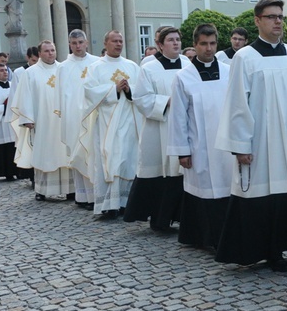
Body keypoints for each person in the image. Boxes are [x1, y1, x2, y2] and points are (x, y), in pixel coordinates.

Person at [215, 0, 287, 272]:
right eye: (271, 16)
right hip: (263, 142)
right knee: (270, 201)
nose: (277, 22)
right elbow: (238, 104)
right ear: (258, 20)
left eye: (281, 17)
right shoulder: (245, 57)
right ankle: (273, 253)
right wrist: (240, 145)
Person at [168, 24, 233, 250]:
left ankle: (227, 236)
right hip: (199, 145)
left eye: (212, 43)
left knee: (228, 189)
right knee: (203, 190)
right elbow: (177, 117)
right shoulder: (183, 77)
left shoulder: (228, 71)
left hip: (226, 145)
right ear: (195, 45)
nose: (208, 48)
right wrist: (182, 150)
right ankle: (204, 237)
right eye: (203, 44)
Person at [124, 26, 190, 232]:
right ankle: (159, 218)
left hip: (185, 126)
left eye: (178, 39)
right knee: (161, 172)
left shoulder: (188, 65)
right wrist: (166, 102)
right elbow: (141, 98)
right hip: (159, 128)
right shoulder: (149, 68)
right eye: (170, 40)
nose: (176, 43)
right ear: (160, 45)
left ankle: (184, 218)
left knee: (182, 175)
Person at [79, 30, 143, 218]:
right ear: (106, 43)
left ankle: (126, 203)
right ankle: (109, 204)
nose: (118, 44)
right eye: (114, 41)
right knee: (109, 160)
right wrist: (113, 89)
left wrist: (129, 90)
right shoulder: (95, 67)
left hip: (130, 122)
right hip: (107, 123)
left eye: (121, 41)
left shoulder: (132, 66)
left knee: (128, 160)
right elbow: (89, 91)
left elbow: (141, 91)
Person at [11, 40, 73, 201]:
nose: (50, 53)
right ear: (39, 53)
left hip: (62, 120)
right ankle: (42, 189)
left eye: (52, 50)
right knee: (44, 153)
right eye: (46, 51)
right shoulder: (31, 72)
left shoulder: (64, 69)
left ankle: (70, 189)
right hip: (42, 121)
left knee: (64, 152)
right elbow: (25, 97)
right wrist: (27, 118)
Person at [58, 29, 99, 209]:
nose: (77, 46)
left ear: (87, 42)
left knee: (93, 152)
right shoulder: (63, 67)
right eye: (74, 43)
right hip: (73, 116)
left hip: (93, 115)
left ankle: (96, 195)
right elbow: (60, 94)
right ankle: (82, 196)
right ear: (69, 44)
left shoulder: (97, 63)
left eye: (80, 42)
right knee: (78, 152)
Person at [10, 46, 38, 182]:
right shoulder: (20, 72)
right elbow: (16, 94)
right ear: (28, 58)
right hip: (27, 114)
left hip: (42, 112)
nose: (35, 63)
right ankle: (31, 176)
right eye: (33, 60)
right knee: (28, 146)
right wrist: (24, 115)